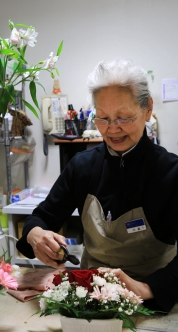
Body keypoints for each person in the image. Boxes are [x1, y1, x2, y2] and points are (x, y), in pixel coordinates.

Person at [17, 59, 178, 313]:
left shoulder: (170, 172)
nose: (113, 129)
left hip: (152, 302)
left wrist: (148, 289)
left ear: (147, 110)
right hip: (91, 298)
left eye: (124, 117)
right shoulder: (82, 167)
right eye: (102, 118)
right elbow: (41, 217)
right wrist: (35, 234)